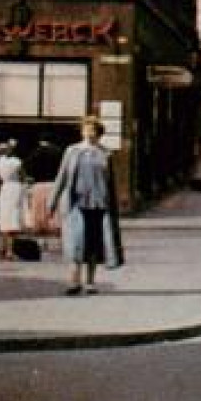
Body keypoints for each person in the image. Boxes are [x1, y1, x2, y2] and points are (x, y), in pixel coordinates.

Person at [50, 116, 123, 295]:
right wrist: (52, 201)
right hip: (76, 204)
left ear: (99, 133)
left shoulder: (105, 153)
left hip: (98, 206)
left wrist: (113, 205)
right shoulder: (72, 151)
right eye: (86, 129)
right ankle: (74, 281)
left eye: (93, 130)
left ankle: (90, 282)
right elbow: (62, 176)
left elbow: (111, 182)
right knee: (75, 243)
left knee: (93, 245)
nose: (89, 133)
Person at [0, 142, 30, 260]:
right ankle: (10, 251)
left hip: (4, 189)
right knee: (13, 220)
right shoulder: (16, 162)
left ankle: (2, 249)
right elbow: (23, 176)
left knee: (4, 219)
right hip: (15, 189)